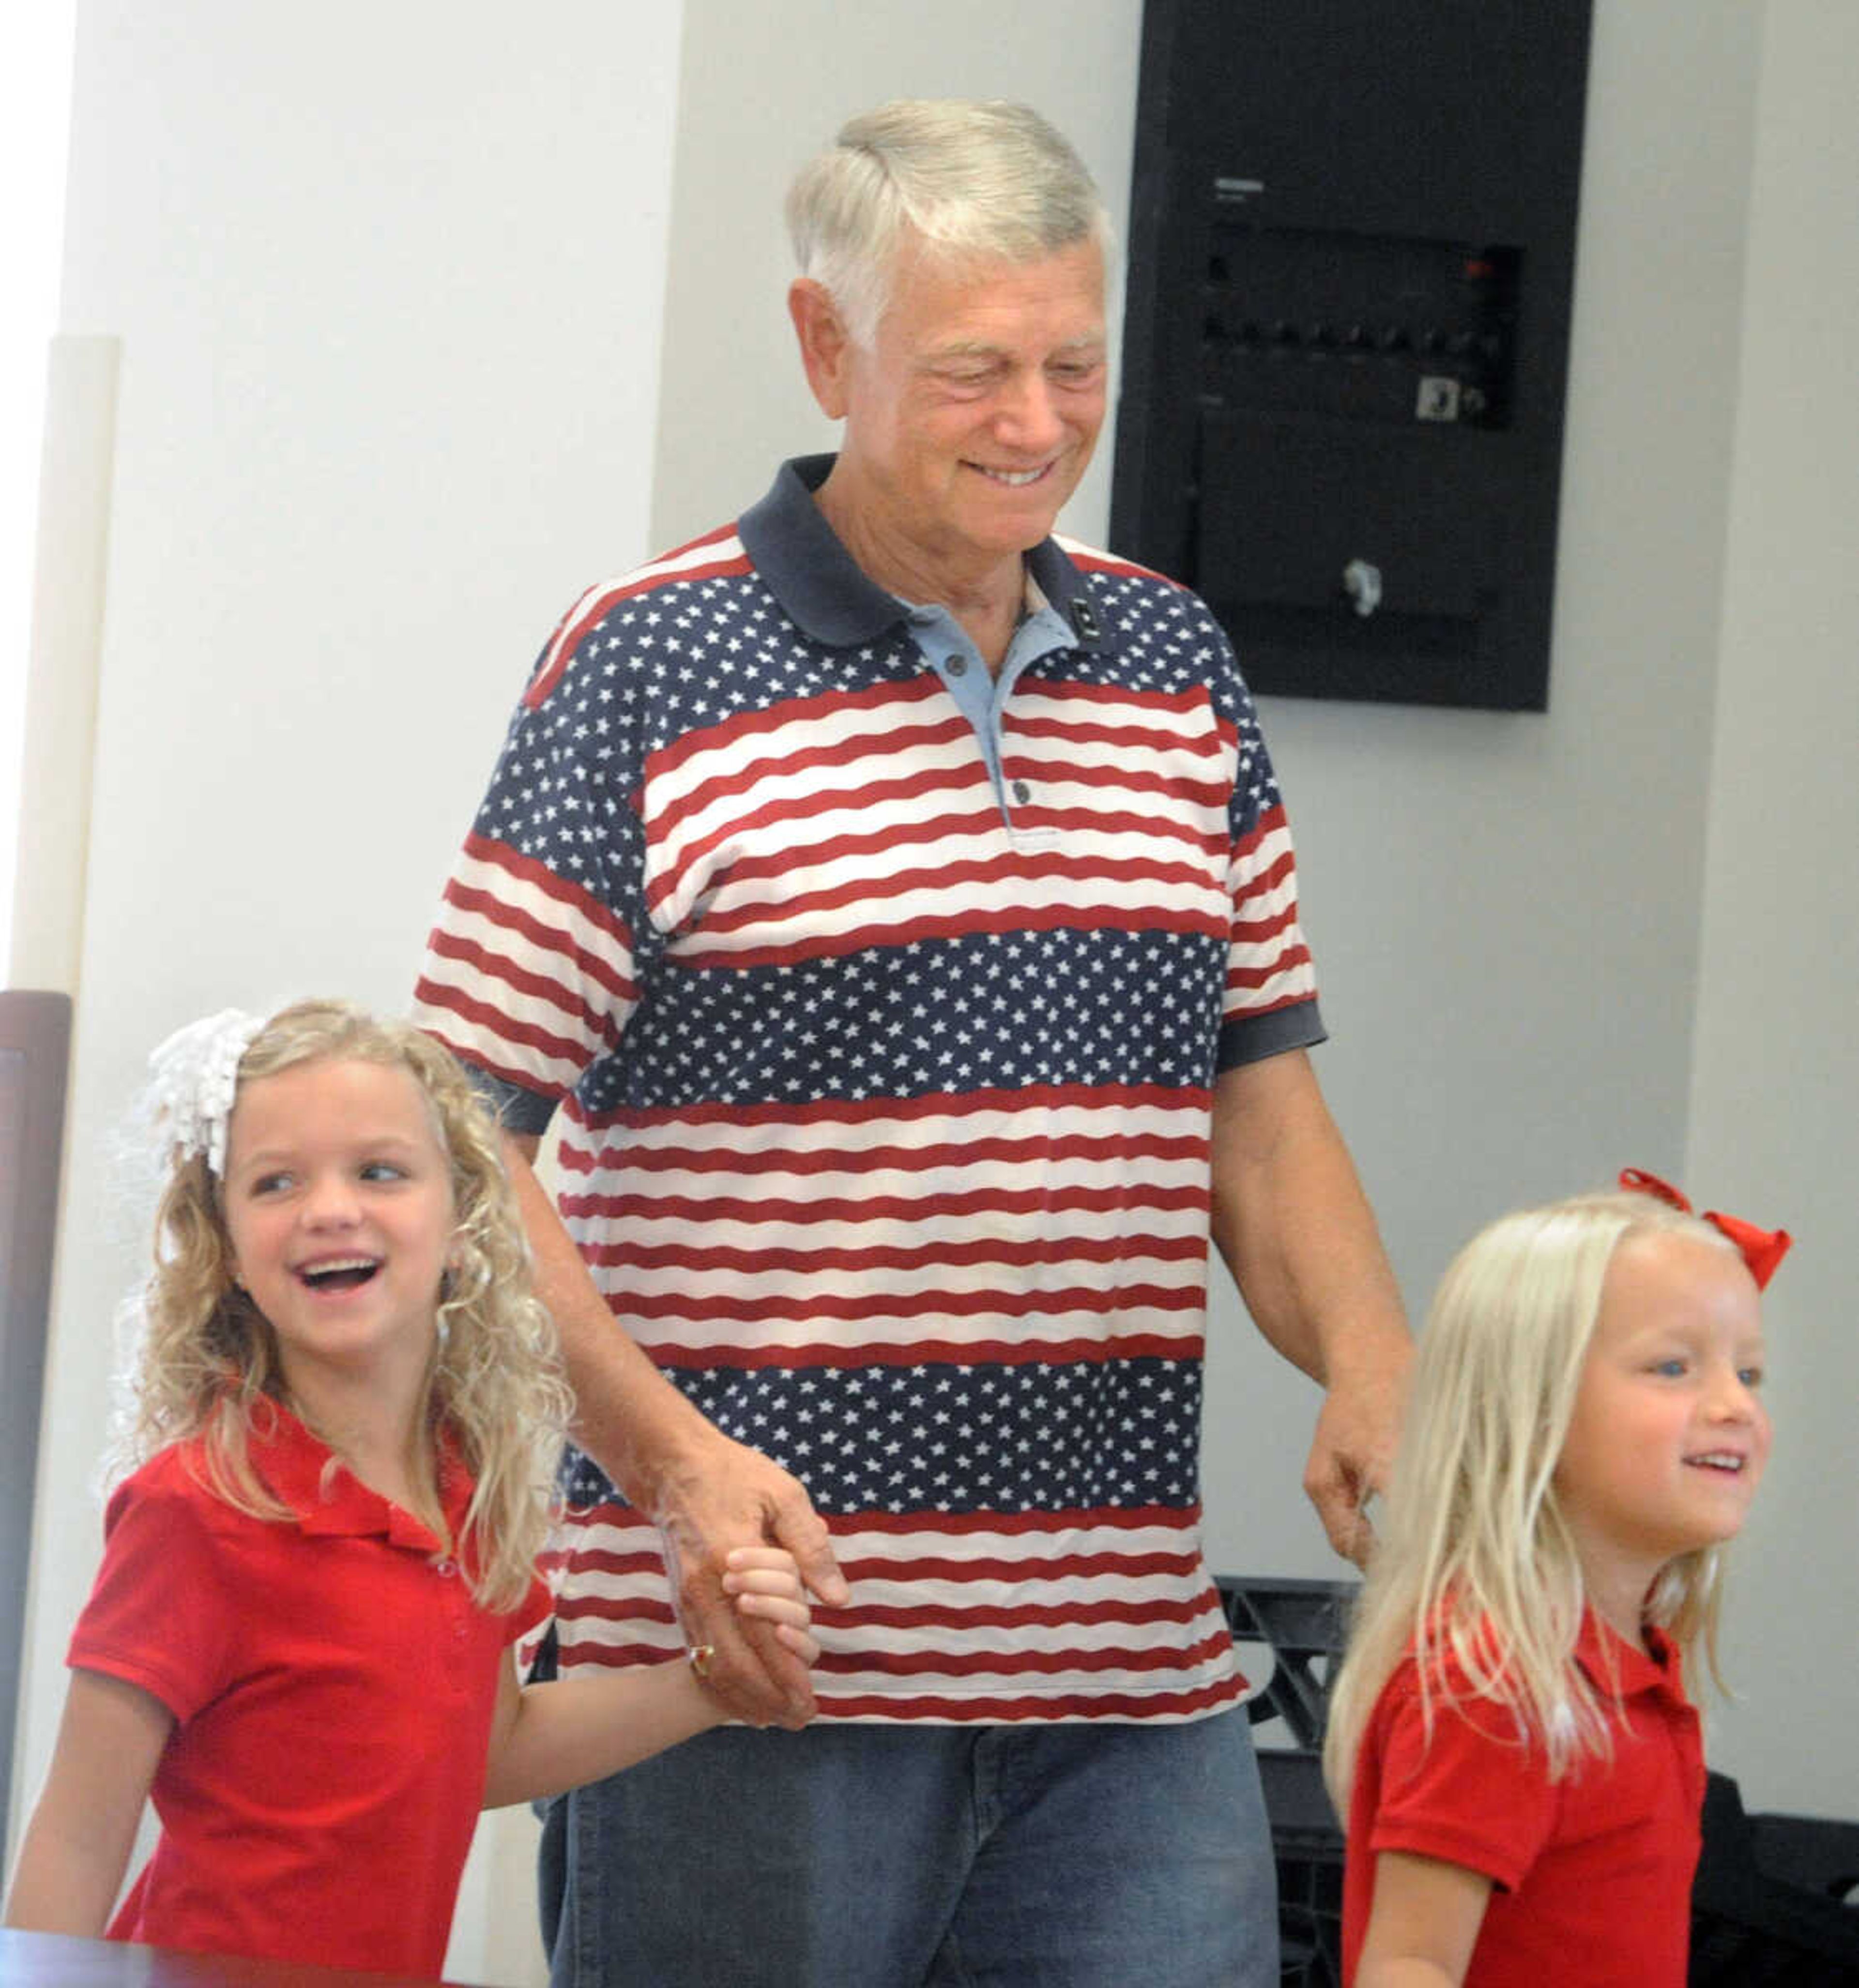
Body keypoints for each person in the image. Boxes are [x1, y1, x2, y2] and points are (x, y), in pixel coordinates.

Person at [412, 99, 1412, 1987]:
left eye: (1074, 366)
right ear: (826, 345)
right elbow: (447, 1154)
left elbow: (1259, 1105)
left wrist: (1372, 1360)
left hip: (1129, 1690)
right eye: (973, 371)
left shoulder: (1179, 665)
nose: (1036, 424)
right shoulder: (645, 664)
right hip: (733, 1683)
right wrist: (683, 1469)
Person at [2, 1000, 817, 1976]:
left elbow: (488, 1749)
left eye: (378, 1170)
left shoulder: (461, 1491)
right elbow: (80, 1831)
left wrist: (712, 1684)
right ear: (223, 1249)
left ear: (469, 1223)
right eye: (275, 1181)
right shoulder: (197, 1505)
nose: (330, 1206)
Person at [1324, 1172, 1790, 1987]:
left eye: (1747, 1374)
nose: (1733, 1406)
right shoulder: (1496, 1686)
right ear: (1531, 1410)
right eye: (1675, 1367)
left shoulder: (1627, 1672)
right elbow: (1409, 1964)